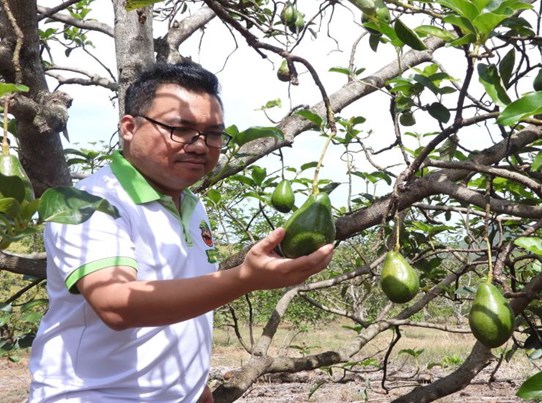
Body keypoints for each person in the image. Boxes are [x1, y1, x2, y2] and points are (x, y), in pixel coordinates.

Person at [28, 61, 334, 402]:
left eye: (214, 133)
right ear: (129, 127)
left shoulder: (191, 206)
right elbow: (117, 304)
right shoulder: (84, 202)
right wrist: (246, 277)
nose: (200, 145)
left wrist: (195, 387)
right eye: (180, 128)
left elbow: (181, 309)